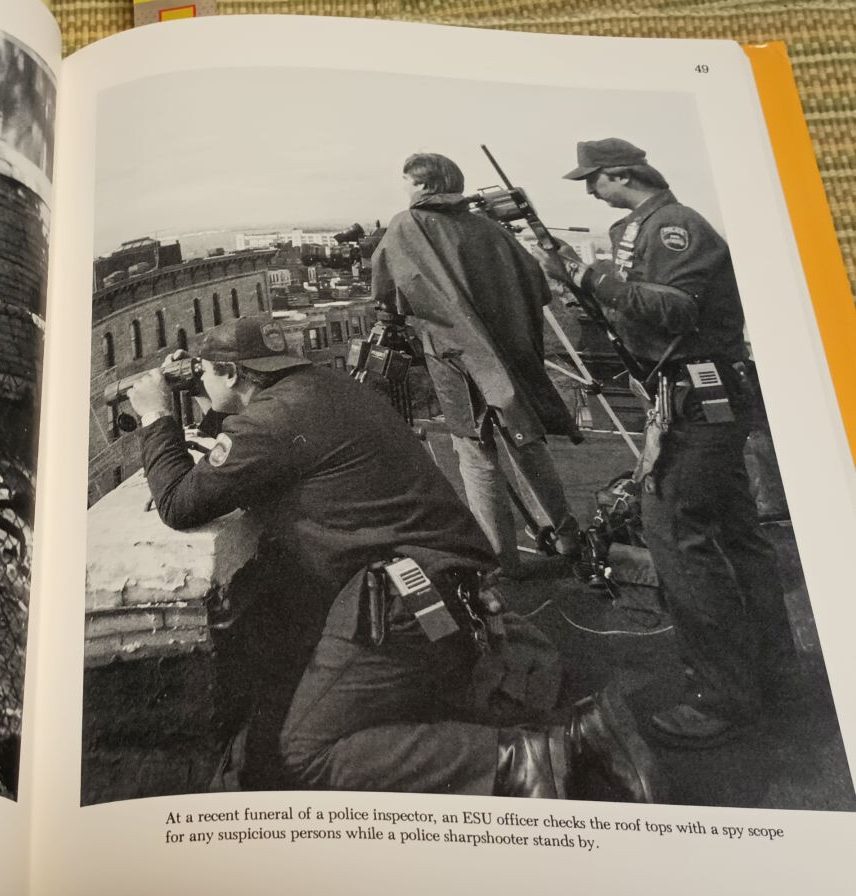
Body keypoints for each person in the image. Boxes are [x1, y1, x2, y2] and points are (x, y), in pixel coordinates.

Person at [125, 315, 659, 800]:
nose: (198, 385)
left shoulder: (268, 423)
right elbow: (252, 455)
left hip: (400, 600)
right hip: (446, 590)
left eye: (205, 376)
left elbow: (178, 503)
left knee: (302, 756)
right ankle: (584, 731)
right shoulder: (324, 388)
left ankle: (536, 755)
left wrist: (154, 417)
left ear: (232, 374)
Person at [541, 138, 796, 747]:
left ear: (623, 174)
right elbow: (636, 314)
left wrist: (585, 274)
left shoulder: (675, 225)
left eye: (593, 181)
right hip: (702, 394)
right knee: (735, 536)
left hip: (697, 397)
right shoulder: (648, 227)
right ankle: (768, 672)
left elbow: (676, 310)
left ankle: (724, 697)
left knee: (677, 538)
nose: (589, 193)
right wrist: (584, 281)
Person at [372, 153, 581, 577]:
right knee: (527, 443)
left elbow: (390, 290)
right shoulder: (490, 228)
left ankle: (500, 560)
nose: (406, 190)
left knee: (475, 453)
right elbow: (538, 287)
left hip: (457, 359)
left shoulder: (408, 225)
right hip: (510, 355)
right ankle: (566, 538)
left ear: (425, 185)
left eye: (408, 182)